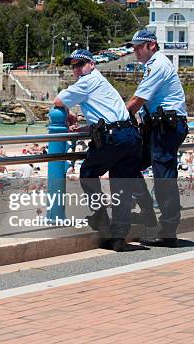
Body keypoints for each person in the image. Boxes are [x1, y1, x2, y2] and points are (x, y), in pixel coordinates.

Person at [54, 49, 142, 252]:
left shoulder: (87, 81)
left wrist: (68, 113)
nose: (76, 69)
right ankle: (118, 237)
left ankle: (101, 219)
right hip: (130, 136)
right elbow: (109, 115)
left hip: (114, 138)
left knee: (88, 173)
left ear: (92, 64)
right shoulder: (104, 83)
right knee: (121, 185)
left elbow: (58, 101)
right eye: (73, 66)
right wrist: (87, 127)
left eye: (80, 64)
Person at [126, 30, 188, 248]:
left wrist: (117, 119)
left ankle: (168, 231)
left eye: (138, 47)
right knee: (128, 162)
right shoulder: (152, 66)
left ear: (151, 45)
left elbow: (137, 100)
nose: (134, 51)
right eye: (132, 48)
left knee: (164, 177)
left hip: (166, 127)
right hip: (157, 126)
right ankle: (148, 213)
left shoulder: (158, 65)